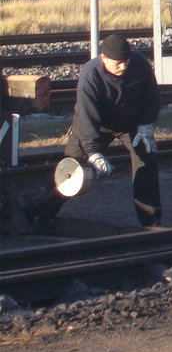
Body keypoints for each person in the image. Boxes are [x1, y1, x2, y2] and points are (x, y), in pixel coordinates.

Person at [26, 33, 162, 231]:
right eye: (117, 63)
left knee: (146, 163)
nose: (123, 67)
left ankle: (152, 223)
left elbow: (151, 96)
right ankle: (42, 215)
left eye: (126, 61)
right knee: (71, 170)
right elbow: (86, 116)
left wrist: (146, 125)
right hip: (97, 124)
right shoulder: (91, 75)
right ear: (103, 59)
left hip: (132, 124)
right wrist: (93, 152)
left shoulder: (139, 64)